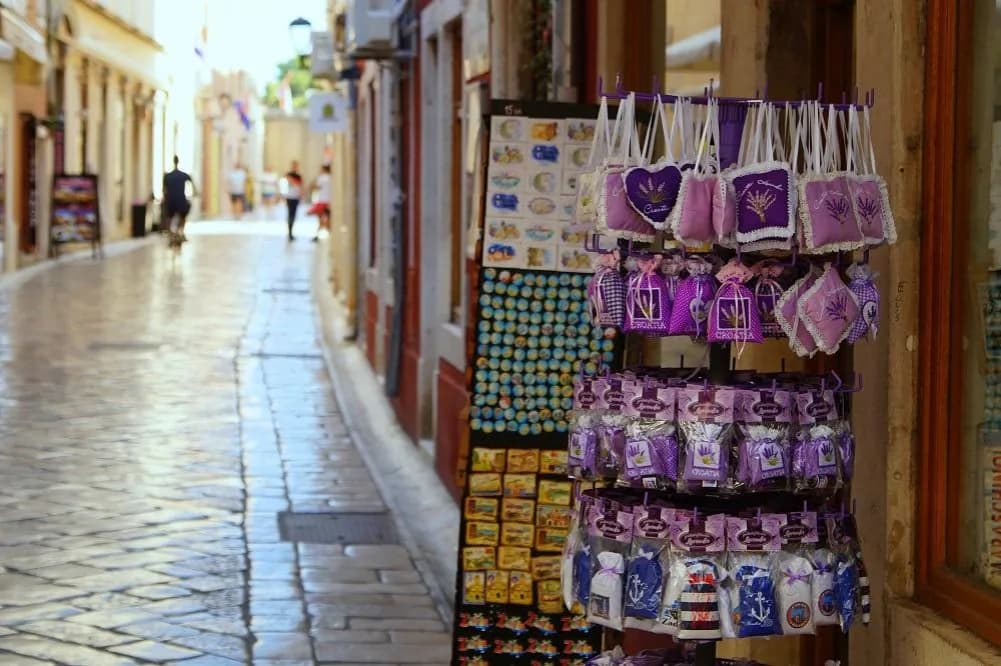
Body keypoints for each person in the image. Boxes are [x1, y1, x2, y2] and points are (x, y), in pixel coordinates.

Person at [163, 155, 196, 241]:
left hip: (170, 200)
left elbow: (164, 190)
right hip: (181, 200)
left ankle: (171, 234)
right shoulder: (183, 175)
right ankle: (179, 231)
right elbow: (191, 181)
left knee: (168, 217)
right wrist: (195, 192)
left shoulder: (167, 176)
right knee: (183, 215)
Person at [308, 164, 332, 242]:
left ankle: (318, 235)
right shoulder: (331, 177)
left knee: (320, 218)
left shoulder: (321, 178)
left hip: (322, 200)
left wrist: (312, 184)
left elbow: (316, 187)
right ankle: (328, 233)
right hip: (329, 201)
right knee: (328, 218)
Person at [283, 160, 303, 240]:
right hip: (290, 197)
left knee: (294, 215)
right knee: (290, 214)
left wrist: (301, 195)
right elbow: (288, 182)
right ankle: (289, 232)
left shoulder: (299, 176)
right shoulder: (289, 175)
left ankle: (291, 232)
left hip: (296, 197)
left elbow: (300, 186)